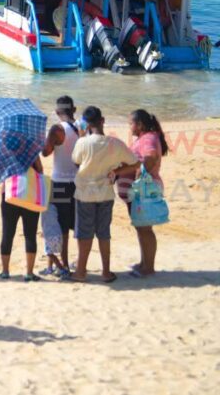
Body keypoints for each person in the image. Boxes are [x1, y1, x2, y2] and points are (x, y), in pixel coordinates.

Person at [70, 106, 140, 283]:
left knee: (84, 234)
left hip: (85, 193)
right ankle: (106, 272)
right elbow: (135, 163)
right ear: (102, 121)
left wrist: (81, 136)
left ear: (86, 124)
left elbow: (76, 161)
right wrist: (117, 170)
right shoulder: (115, 144)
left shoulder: (82, 142)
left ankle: (81, 271)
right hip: (106, 193)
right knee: (103, 233)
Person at [112, 109, 169, 278]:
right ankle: (144, 262)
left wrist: (139, 171)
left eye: (131, 123)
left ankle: (148, 267)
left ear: (140, 124)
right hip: (138, 192)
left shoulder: (148, 138)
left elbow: (150, 157)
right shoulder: (145, 138)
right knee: (141, 228)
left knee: (145, 229)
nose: (130, 127)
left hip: (143, 190)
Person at [41, 95, 79, 271]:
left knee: (62, 225)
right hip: (78, 182)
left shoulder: (57, 129)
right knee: (77, 223)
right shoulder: (82, 127)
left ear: (57, 112)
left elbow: (46, 152)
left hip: (60, 183)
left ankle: (63, 264)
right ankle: (79, 261)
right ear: (74, 109)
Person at [0, 156, 45, 281]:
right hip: (30, 193)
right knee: (30, 234)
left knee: (7, 233)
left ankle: (5, 271)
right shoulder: (32, 150)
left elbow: (1, 172)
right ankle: (29, 273)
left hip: (10, 194)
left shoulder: (5, 151)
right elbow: (40, 170)